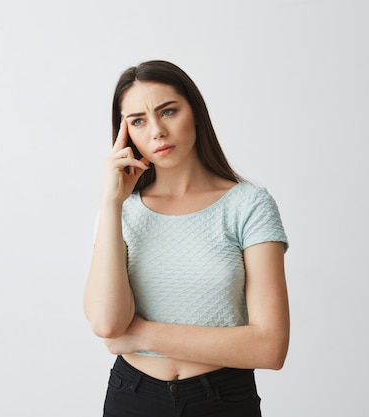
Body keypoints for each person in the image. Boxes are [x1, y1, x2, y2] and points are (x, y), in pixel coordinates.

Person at [84, 60, 289, 417]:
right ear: (125, 133)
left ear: (194, 112)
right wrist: (111, 201)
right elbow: (107, 324)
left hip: (222, 399)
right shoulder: (120, 212)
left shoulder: (248, 204)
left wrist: (142, 336)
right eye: (138, 121)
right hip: (132, 395)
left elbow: (270, 347)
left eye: (168, 111)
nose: (157, 131)